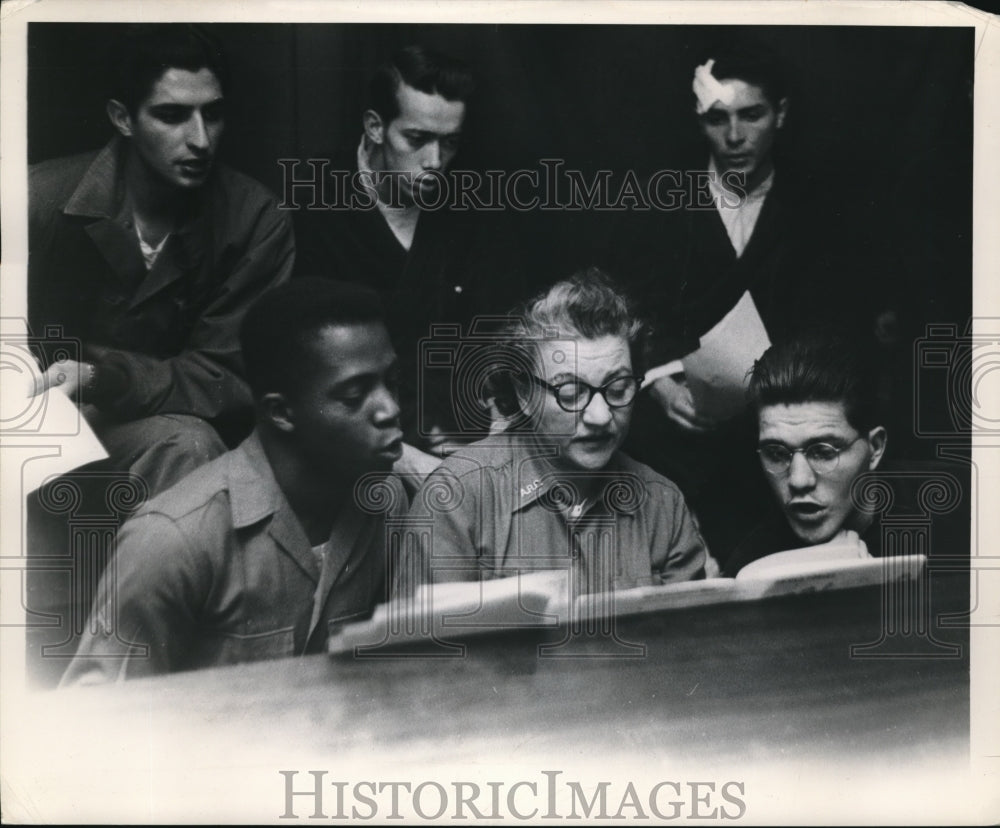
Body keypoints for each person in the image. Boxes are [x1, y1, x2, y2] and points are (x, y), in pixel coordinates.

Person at [60, 279, 407, 684]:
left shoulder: (387, 501)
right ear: (281, 412)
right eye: (354, 395)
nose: (390, 409)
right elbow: (99, 727)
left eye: (391, 383)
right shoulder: (172, 540)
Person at [619, 39, 884, 565]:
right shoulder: (658, 204)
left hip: (787, 447)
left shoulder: (821, 206)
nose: (735, 136)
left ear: (781, 114)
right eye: (718, 118)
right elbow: (632, 306)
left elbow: (846, 323)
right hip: (683, 441)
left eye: (752, 115)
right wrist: (658, 381)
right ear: (697, 120)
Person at [28, 24, 294, 496]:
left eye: (212, 114)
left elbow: (226, 376)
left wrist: (100, 379)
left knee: (189, 445)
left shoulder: (254, 219)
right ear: (122, 118)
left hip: (141, 426)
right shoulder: (35, 199)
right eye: (171, 116)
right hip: (29, 419)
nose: (201, 140)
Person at [397, 268, 708, 596]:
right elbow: (427, 644)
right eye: (571, 392)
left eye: (618, 388)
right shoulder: (457, 499)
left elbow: (690, 644)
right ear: (523, 394)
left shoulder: (663, 505)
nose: (600, 416)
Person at [293, 45, 526, 478]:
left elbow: (494, 331)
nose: (435, 163)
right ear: (375, 127)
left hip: (458, 427)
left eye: (450, 143)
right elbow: (313, 376)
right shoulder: (315, 209)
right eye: (417, 140)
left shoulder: (473, 207)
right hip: (357, 441)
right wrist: (409, 458)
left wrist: (491, 425)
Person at [723, 333, 887, 576]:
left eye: (823, 452)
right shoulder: (750, 564)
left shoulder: (955, 522)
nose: (798, 481)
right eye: (777, 454)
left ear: (874, 448)